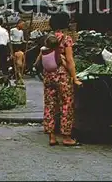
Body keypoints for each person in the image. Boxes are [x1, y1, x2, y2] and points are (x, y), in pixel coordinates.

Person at [38, 12, 81, 147]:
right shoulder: (66, 39)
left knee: (50, 105)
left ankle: (51, 136)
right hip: (62, 76)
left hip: (48, 76)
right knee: (66, 104)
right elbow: (69, 60)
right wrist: (74, 77)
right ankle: (66, 137)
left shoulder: (47, 38)